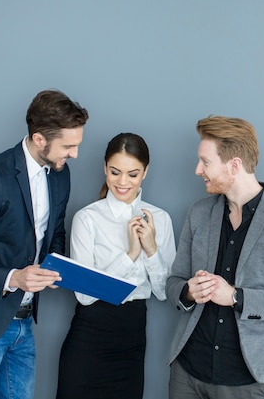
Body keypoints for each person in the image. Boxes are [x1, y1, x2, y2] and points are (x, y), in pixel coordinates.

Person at [0, 89, 89, 399]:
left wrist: (55, 267)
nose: (75, 154)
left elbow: (55, 235)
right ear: (39, 139)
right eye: (69, 146)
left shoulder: (60, 175)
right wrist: (15, 277)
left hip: (24, 323)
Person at [165, 115, 264, 399]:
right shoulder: (198, 212)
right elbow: (173, 281)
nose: (198, 170)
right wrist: (187, 292)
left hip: (243, 377)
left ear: (234, 165)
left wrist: (235, 296)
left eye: (205, 162)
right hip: (185, 371)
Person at [56, 133, 176, 399]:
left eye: (132, 174)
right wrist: (131, 254)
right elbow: (85, 296)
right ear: (104, 168)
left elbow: (164, 292)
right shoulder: (87, 218)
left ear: (145, 172)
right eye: (115, 172)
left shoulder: (160, 219)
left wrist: (151, 249)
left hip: (131, 341)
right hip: (88, 339)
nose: (123, 182)